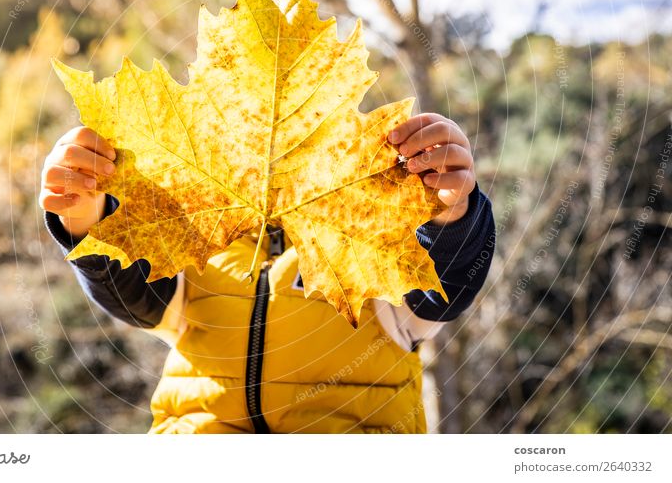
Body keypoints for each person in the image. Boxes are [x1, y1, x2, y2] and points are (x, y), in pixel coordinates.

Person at [40, 112, 496, 433]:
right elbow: (132, 295)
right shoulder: (198, 246)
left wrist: (452, 214)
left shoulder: (368, 241)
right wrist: (84, 217)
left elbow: (444, 284)